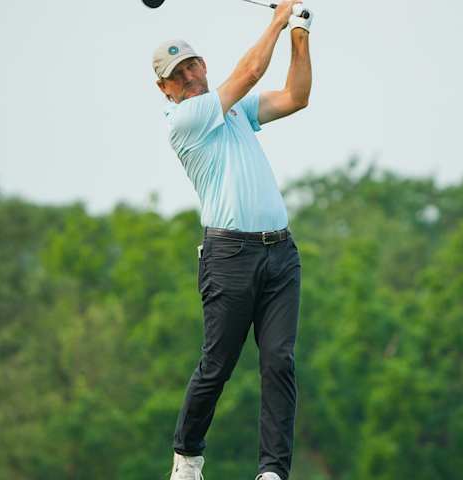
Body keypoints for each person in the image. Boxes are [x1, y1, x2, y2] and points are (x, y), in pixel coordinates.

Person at [152, 1, 312, 479]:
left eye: (192, 65)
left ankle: (272, 472)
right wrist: (279, 17)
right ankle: (187, 456)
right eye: (177, 75)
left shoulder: (235, 110)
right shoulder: (186, 121)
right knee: (217, 365)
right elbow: (250, 70)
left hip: (280, 254)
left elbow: (295, 97)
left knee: (279, 361)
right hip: (230, 257)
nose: (189, 76)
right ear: (165, 88)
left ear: (202, 64)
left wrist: (299, 34)